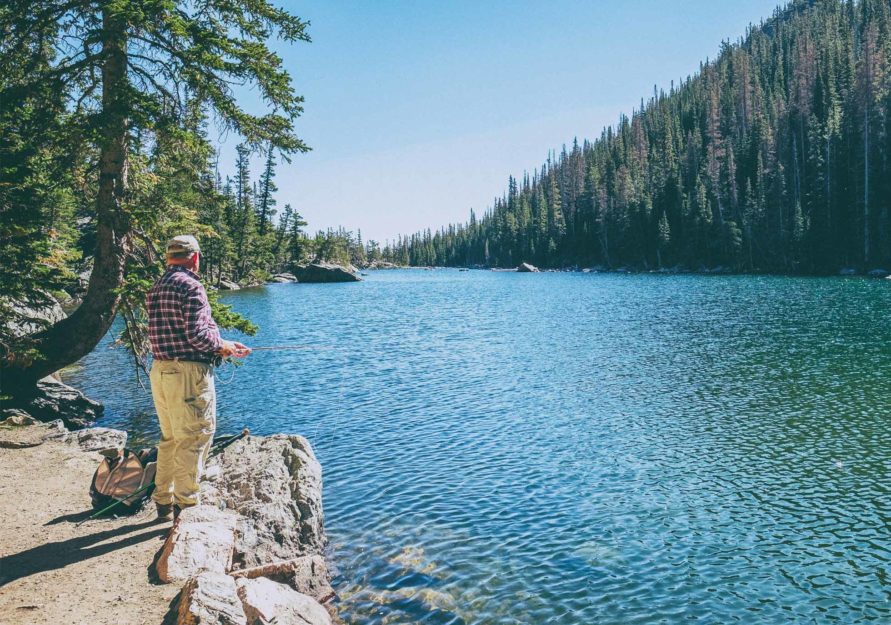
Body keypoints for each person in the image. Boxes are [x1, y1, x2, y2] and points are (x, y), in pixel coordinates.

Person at [145, 235, 251, 521]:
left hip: (161, 369)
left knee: (170, 439)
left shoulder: (157, 287)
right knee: (194, 438)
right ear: (195, 257)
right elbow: (196, 335)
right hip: (188, 374)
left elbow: (183, 333)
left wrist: (224, 341)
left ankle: (163, 503)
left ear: (170, 257)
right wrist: (221, 347)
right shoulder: (191, 286)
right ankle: (187, 509)